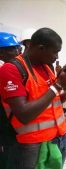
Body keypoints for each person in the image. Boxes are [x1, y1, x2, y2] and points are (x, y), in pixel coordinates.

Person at [0, 28, 66, 169]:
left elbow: (51, 102)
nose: (57, 56)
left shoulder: (46, 68)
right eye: (55, 51)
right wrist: (58, 85)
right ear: (41, 48)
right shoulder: (11, 69)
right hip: (32, 145)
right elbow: (24, 114)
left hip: (58, 138)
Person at [0, 32, 21, 169]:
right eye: (12, 49)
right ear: (1, 53)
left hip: (13, 119)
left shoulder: (16, 68)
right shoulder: (4, 69)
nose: (17, 52)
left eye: (17, 49)